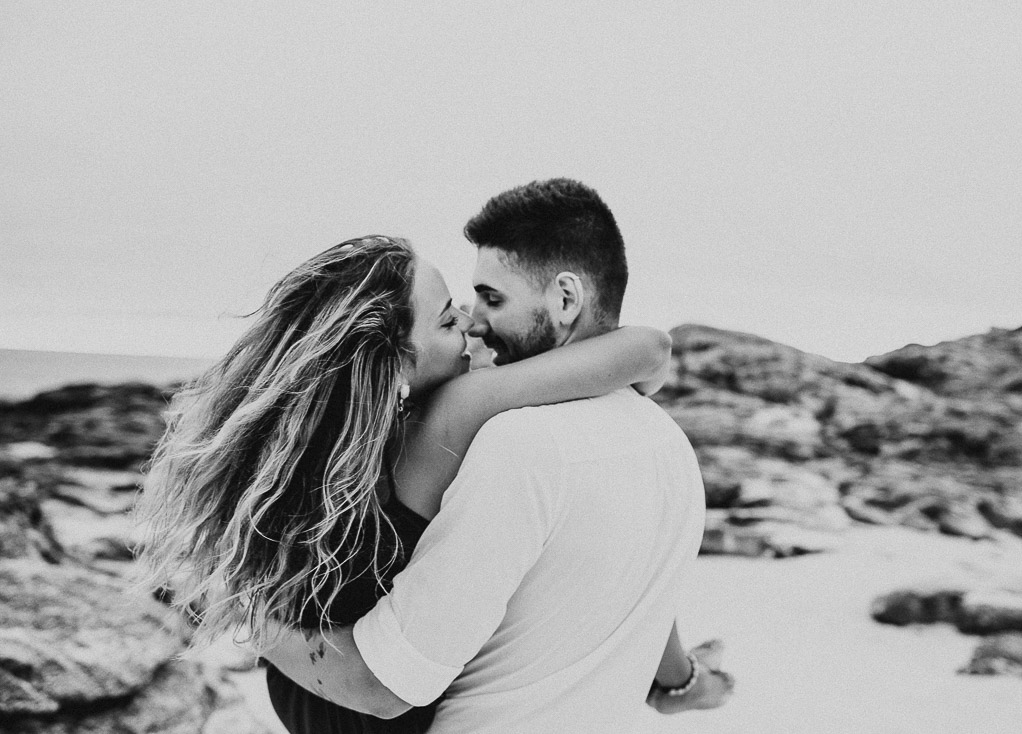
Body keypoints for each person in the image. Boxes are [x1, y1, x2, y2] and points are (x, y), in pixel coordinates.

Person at [135, 230, 731, 733]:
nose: (471, 323)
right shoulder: (443, 420)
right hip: (364, 705)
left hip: (315, 709)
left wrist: (245, 612)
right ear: (394, 365)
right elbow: (647, 348)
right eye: (448, 320)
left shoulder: (295, 459)